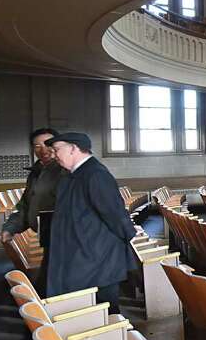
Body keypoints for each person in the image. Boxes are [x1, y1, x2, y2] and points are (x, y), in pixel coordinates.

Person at [45, 132, 138, 313]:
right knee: (85, 309)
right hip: (82, 255)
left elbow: (115, 215)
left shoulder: (95, 174)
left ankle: (111, 339)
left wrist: (127, 238)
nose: (54, 155)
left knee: (104, 310)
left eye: (57, 150)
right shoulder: (72, 175)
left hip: (97, 257)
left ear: (73, 149)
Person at [0, 127, 64, 292]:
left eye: (48, 144)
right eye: (37, 146)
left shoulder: (66, 170)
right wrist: (10, 228)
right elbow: (26, 206)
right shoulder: (36, 173)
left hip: (64, 236)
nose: (43, 149)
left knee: (56, 284)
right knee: (48, 283)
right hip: (48, 235)